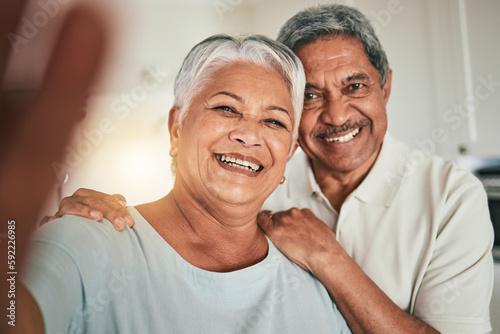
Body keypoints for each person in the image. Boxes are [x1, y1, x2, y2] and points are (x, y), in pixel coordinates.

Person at [50, 4, 495, 334]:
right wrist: (46, 227)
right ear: (176, 127)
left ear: (386, 87)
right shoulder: (248, 185)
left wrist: (329, 259)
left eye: (355, 86)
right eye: (312, 96)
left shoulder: (452, 197)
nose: (338, 115)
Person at [19, 34, 352, 333]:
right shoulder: (87, 239)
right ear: (176, 129)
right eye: (226, 107)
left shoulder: (316, 283)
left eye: (273, 121)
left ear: (290, 154)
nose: (249, 135)